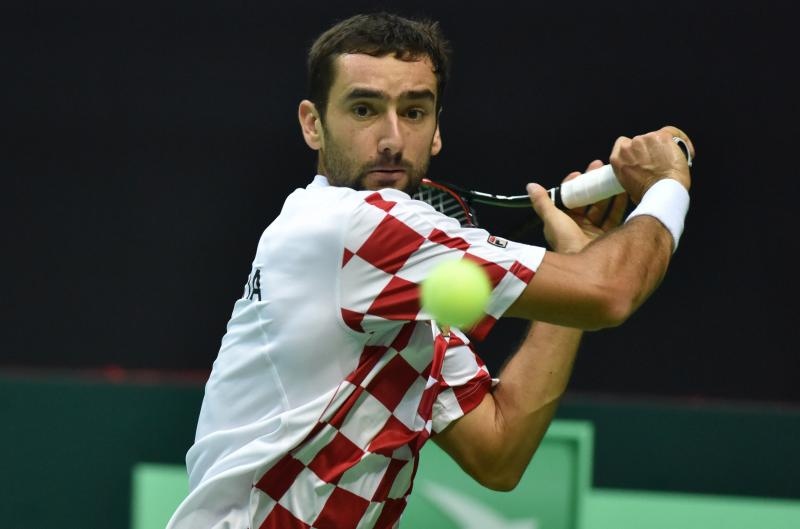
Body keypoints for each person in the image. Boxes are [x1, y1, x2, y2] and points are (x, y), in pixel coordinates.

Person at [166, 11, 694, 529]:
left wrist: (580, 255)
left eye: (414, 112)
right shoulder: (355, 227)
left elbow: (499, 453)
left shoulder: (399, 294)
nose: (392, 137)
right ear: (313, 124)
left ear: (437, 129)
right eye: (365, 110)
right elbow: (611, 292)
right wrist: (669, 184)